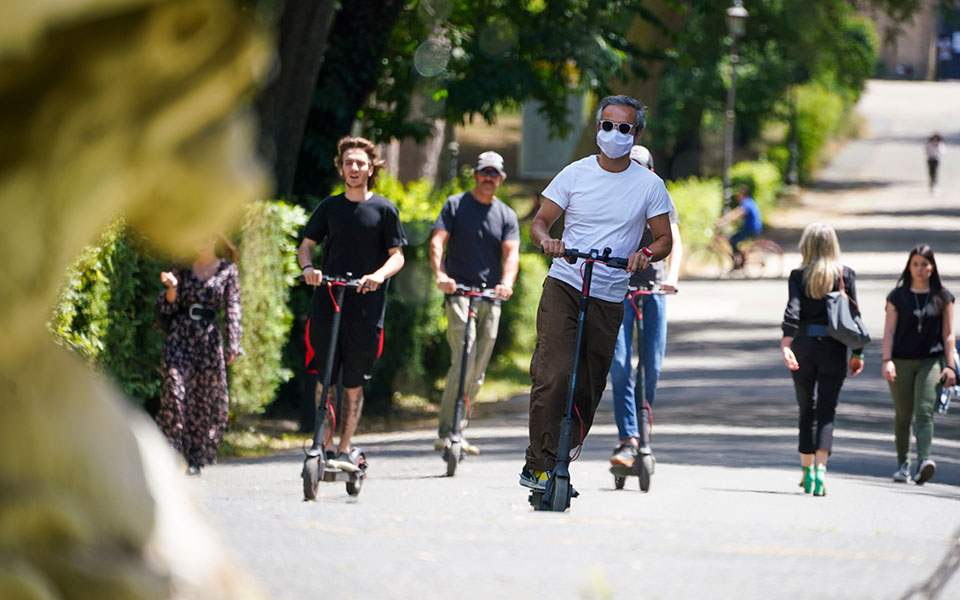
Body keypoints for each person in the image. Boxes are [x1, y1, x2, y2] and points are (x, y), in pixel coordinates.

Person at [520, 95, 674, 491]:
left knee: (588, 385)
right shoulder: (574, 174)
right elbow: (540, 222)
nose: (614, 134)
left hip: (609, 292)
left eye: (624, 128)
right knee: (553, 373)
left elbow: (663, 239)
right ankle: (537, 464)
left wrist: (643, 255)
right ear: (597, 129)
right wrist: (548, 241)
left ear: (635, 133)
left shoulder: (649, 185)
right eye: (608, 125)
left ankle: (561, 461)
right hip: (566, 284)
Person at [298, 136, 407, 470]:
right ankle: (322, 444)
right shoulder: (329, 207)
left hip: (365, 309)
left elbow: (397, 256)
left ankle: (344, 449)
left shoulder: (385, 209)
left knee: (352, 384)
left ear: (371, 167)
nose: (355, 168)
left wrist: (377, 276)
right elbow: (306, 245)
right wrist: (309, 269)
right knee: (324, 379)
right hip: (327, 302)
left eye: (361, 163)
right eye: (349, 163)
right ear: (341, 167)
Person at [430, 151, 520, 454]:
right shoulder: (455, 205)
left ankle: (459, 427)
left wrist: (506, 283)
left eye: (495, 174)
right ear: (475, 175)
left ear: (501, 179)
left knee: (478, 369)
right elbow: (437, 242)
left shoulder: (506, 215)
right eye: (485, 172)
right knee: (464, 357)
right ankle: (447, 431)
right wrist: (441, 274)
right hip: (459, 294)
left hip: (489, 297)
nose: (489, 178)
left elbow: (511, 254)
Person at [609, 145, 684, 467]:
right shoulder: (613, 199)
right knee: (620, 364)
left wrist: (674, 278)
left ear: (651, 172)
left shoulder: (660, 200)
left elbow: (675, 242)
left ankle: (643, 430)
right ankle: (628, 439)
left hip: (653, 289)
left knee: (651, 366)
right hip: (618, 290)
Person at [780, 223, 864, 497]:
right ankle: (821, 470)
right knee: (827, 410)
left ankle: (805, 472)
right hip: (835, 348)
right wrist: (857, 353)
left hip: (804, 346)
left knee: (807, 409)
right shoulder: (845, 274)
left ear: (806, 245)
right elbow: (854, 317)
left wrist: (786, 342)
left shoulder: (798, 275)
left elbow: (793, 310)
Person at [156, 235, 243, 476]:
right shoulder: (181, 266)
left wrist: (233, 343)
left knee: (202, 400)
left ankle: (195, 457)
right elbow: (166, 308)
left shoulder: (228, 270)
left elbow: (233, 306)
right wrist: (172, 289)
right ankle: (170, 451)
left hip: (208, 340)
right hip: (180, 336)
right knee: (175, 391)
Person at [881, 244, 956, 485]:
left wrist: (950, 366)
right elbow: (889, 330)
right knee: (903, 414)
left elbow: (948, 334)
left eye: (925, 264)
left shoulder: (943, 297)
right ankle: (903, 465)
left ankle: (924, 461)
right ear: (909, 267)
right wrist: (887, 360)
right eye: (916, 264)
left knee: (924, 411)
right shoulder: (897, 296)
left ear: (932, 267)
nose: (920, 269)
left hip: (931, 361)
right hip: (901, 360)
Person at [716, 185, 762, 268]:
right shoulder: (748, 201)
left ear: (743, 194)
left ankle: (737, 262)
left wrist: (722, 222)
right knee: (733, 238)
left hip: (751, 229)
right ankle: (739, 258)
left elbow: (737, 214)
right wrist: (724, 219)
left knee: (733, 240)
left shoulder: (746, 203)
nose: (737, 195)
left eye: (739, 193)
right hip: (751, 228)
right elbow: (735, 212)